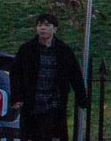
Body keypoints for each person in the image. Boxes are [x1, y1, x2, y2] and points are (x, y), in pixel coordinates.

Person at [11, 13, 88, 141]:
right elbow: (16, 74)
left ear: (55, 29)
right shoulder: (26, 49)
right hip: (32, 103)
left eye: (47, 25)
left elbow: (75, 75)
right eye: (39, 25)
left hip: (54, 104)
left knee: (51, 134)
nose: (42, 28)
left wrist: (82, 98)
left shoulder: (63, 51)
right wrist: (17, 97)